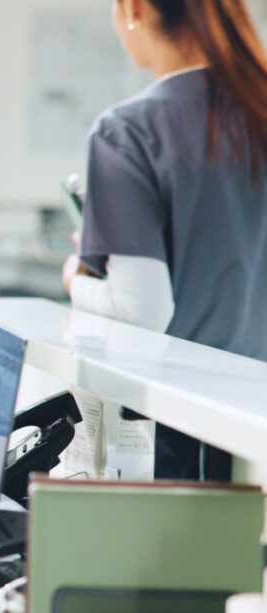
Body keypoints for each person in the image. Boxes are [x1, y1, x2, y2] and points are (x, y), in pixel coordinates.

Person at [62, 0, 267, 479]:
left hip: (186, 433)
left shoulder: (127, 133)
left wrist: (76, 277)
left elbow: (143, 310)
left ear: (133, 7)